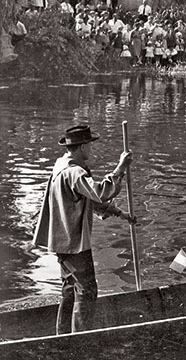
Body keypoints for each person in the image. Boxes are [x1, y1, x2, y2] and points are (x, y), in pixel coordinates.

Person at [32, 125, 135, 334]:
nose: (92, 150)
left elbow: (87, 198)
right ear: (81, 147)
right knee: (87, 290)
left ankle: (63, 337)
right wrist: (121, 168)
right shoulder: (75, 172)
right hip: (74, 242)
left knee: (70, 289)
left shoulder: (60, 165)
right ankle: (81, 340)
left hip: (61, 242)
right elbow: (100, 192)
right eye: (90, 145)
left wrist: (119, 213)